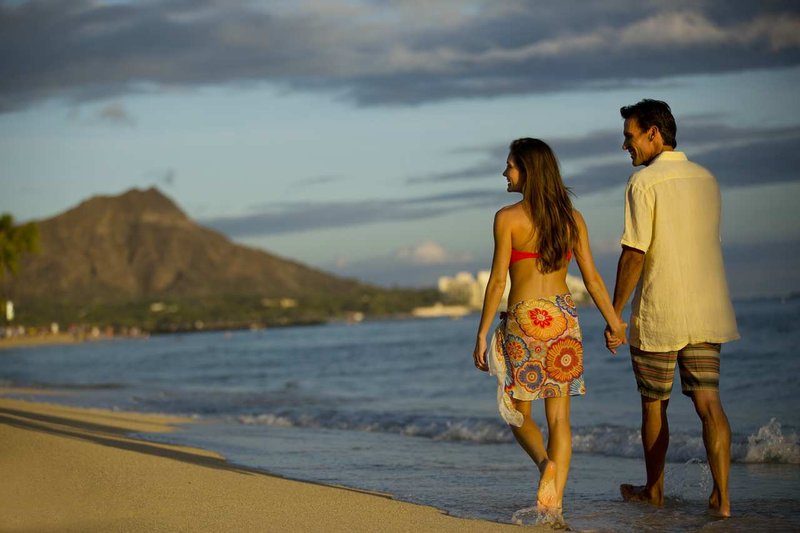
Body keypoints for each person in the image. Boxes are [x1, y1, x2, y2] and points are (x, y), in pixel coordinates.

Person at [473, 138, 627, 516]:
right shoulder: (572, 218)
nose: (504, 172)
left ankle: (546, 466)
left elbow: (497, 282)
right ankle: (554, 502)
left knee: (516, 411)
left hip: (525, 318)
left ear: (528, 170)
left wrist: (481, 333)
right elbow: (592, 280)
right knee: (559, 419)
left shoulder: (507, 218)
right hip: (562, 317)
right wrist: (614, 323)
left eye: (509, 165)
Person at [606, 99, 740, 517]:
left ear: (653, 133)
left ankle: (654, 490)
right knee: (709, 403)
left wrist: (615, 315)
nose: (625, 145)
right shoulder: (707, 179)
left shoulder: (644, 184)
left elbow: (634, 254)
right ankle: (722, 498)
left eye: (630, 137)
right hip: (706, 308)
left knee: (653, 404)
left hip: (661, 311)